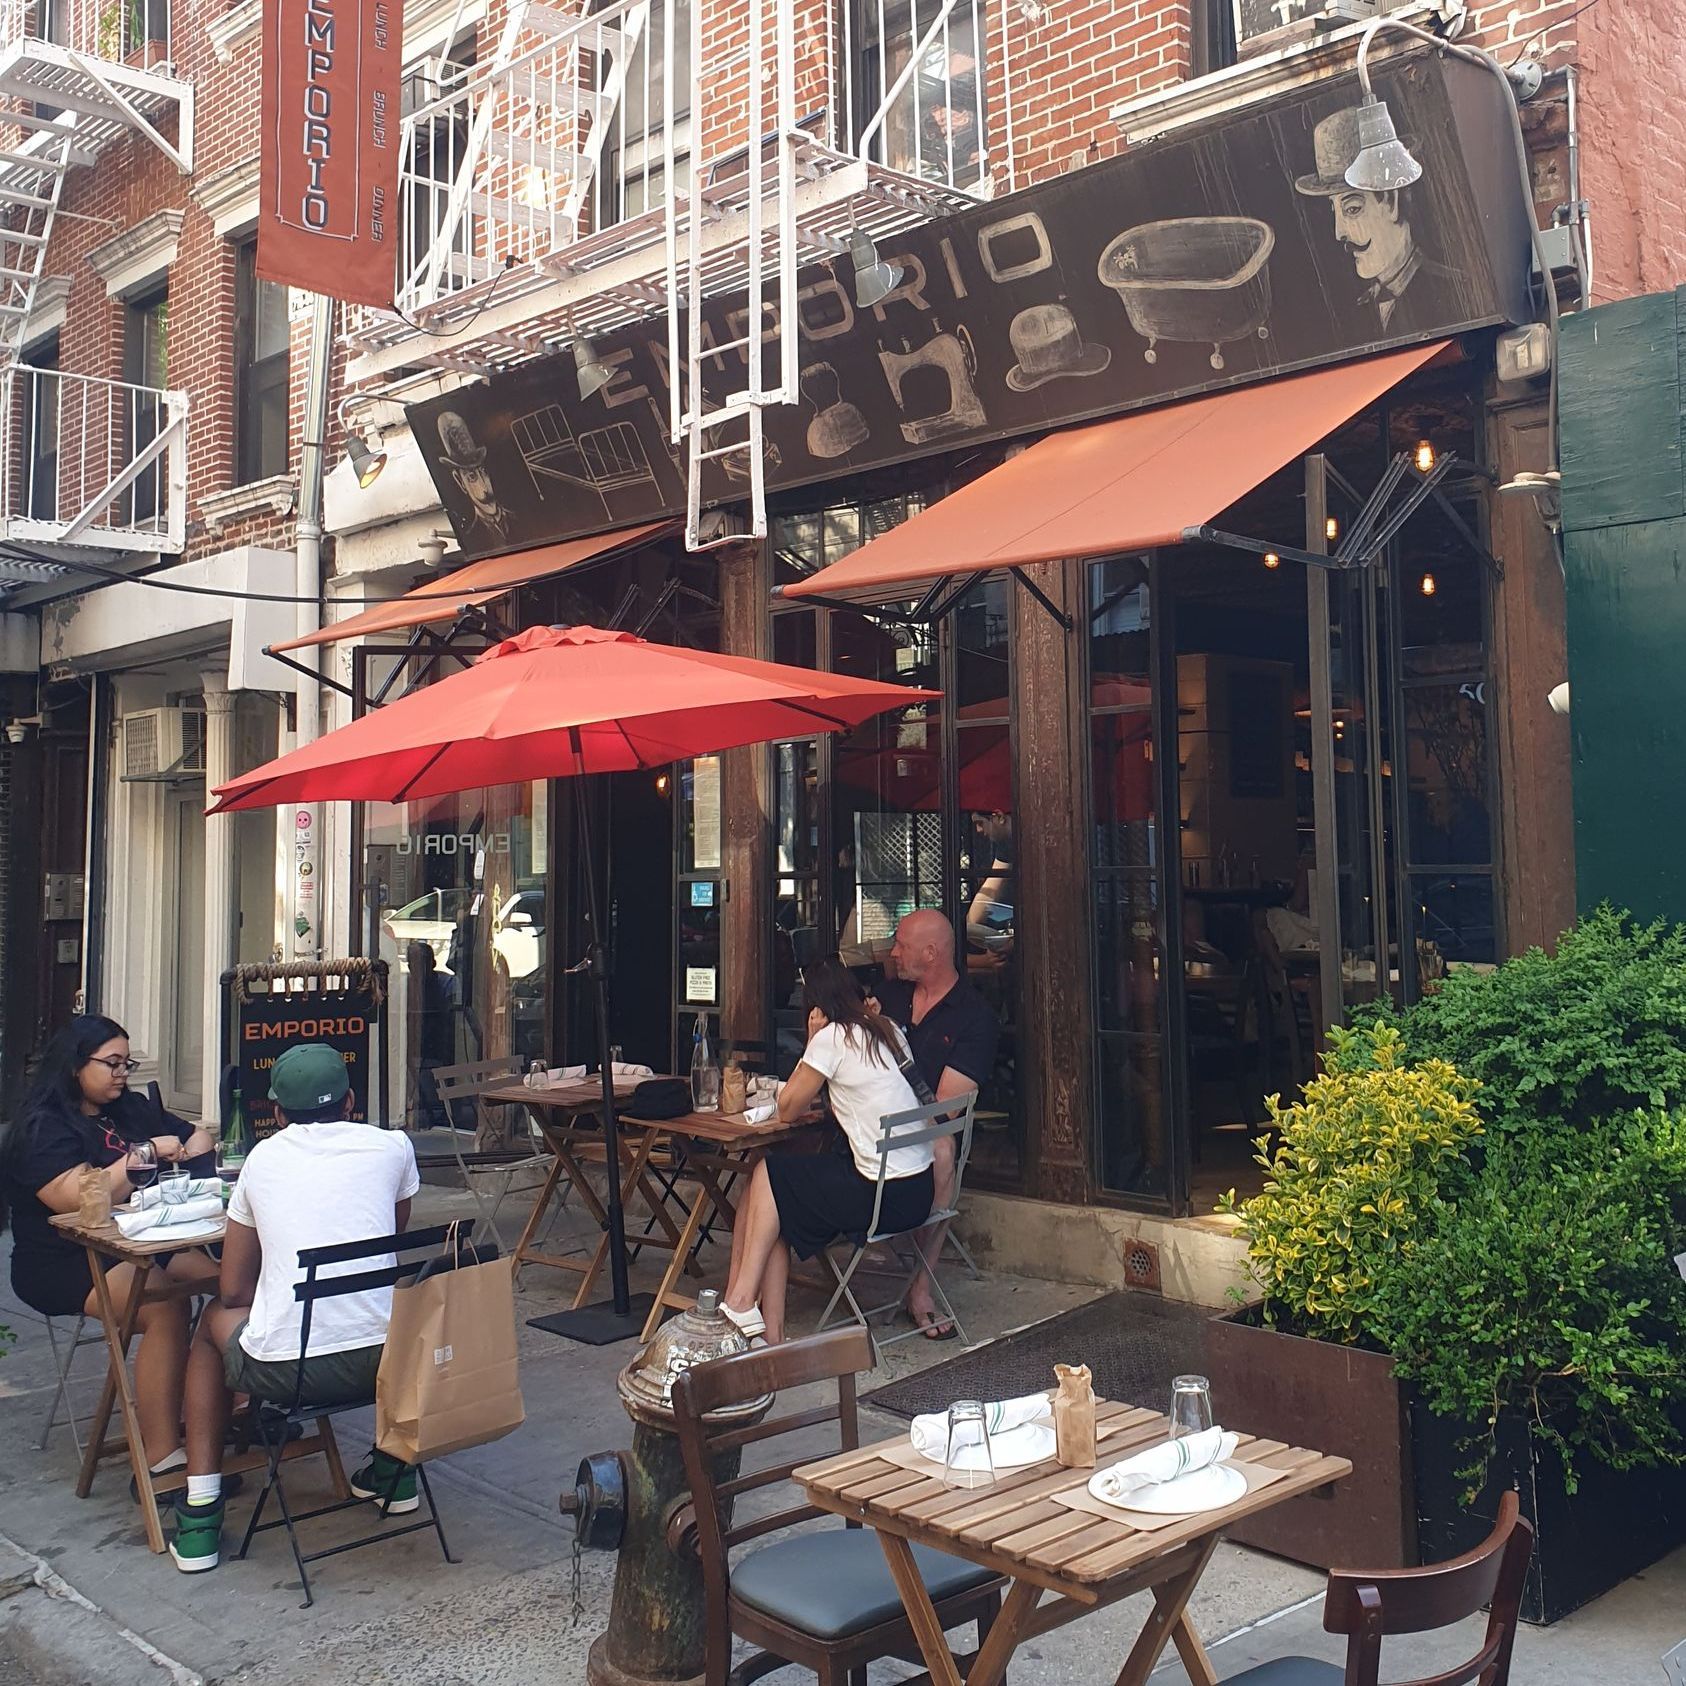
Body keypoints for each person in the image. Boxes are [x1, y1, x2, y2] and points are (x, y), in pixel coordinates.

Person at [169, 1044, 421, 1573]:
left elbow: (234, 1290)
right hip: (394, 1362)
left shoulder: (262, 1160)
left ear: (278, 1114)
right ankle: (395, 1474)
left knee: (210, 1324)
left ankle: (199, 1515)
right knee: (377, 1308)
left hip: (293, 1371)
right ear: (350, 1102)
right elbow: (386, 1240)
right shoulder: (393, 1147)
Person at [0, 1016, 219, 1487]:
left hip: (144, 1240)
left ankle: (230, 1409)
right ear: (75, 1065)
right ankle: (162, 1457)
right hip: (64, 1260)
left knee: (231, 1282)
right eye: (112, 1064)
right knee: (163, 1304)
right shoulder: (43, 1128)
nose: (122, 1074)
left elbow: (196, 1135)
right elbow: (77, 1200)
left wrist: (190, 1154)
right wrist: (146, 1153)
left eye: (127, 1064)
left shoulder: (130, 1108)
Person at [720, 958, 932, 1346]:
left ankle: (740, 1301)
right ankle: (765, 1331)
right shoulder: (886, 1028)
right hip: (918, 1191)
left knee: (769, 1174)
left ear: (816, 1006)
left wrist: (811, 1041)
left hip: (881, 1196)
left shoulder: (833, 1037)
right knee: (776, 1197)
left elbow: (788, 1108)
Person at [874, 908, 1000, 1339]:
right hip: (868, 1121)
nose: (893, 953)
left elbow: (946, 1110)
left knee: (944, 1147)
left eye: (901, 945)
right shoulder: (888, 997)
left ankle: (921, 1286)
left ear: (930, 953)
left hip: (920, 1128)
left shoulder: (974, 1016)